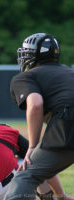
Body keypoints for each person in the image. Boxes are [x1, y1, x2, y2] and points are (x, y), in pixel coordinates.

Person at [5, 33, 74, 200]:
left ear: (32, 56)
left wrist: (32, 146)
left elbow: (35, 104)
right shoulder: (70, 72)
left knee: (27, 174)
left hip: (67, 124)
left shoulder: (26, 76)